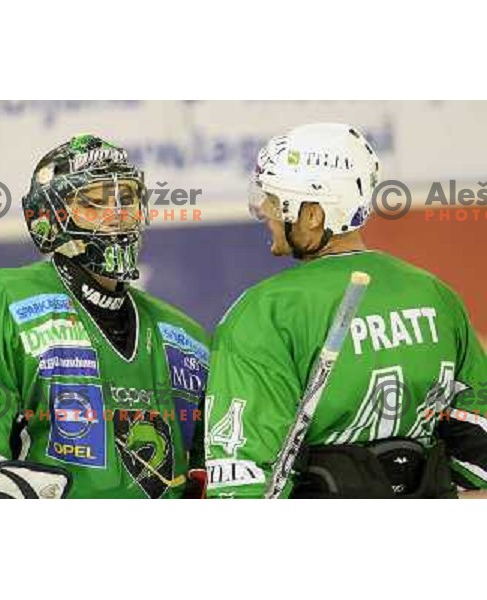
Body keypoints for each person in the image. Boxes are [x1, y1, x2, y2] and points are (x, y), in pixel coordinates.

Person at [0, 134, 208, 499]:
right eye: (94, 203)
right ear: (48, 217)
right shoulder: (8, 301)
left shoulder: (184, 336)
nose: (118, 214)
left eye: (128, 198)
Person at [205, 123, 487, 499]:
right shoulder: (435, 295)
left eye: (273, 200)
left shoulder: (263, 312)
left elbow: (241, 479)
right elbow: (478, 451)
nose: (262, 210)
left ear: (312, 216)